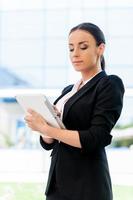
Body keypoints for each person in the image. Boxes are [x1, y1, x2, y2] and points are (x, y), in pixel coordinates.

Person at [25, 22, 125, 200]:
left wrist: (47, 128)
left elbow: (96, 137)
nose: (75, 54)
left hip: (87, 185)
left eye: (83, 47)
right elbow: (50, 142)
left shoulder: (109, 84)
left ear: (100, 49)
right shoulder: (68, 91)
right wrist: (43, 126)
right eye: (71, 49)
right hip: (58, 184)